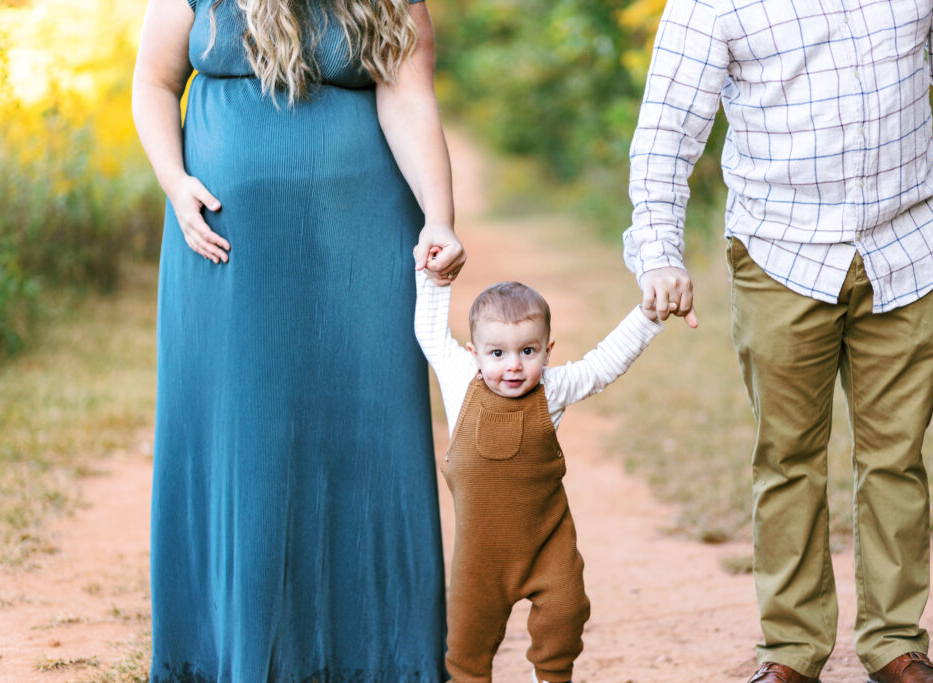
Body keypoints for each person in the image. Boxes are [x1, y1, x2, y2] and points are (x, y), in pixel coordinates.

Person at [625, 1, 933, 682]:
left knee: (897, 455)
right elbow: (666, 130)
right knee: (788, 456)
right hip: (781, 251)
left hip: (907, 240)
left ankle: (895, 645)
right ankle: (791, 652)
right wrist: (658, 251)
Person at [131, 0, 465, 679]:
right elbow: (154, 82)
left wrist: (439, 215)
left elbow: (409, 98)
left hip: (362, 243)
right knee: (242, 438)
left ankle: (380, 657)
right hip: (225, 250)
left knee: (368, 429)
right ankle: (229, 650)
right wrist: (175, 183)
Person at [413, 268, 663, 683]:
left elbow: (604, 363)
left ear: (547, 350)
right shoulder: (461, 379)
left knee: (567, 609)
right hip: (481, 559)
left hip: (546, 543)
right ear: (475, 352)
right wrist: (433, 276)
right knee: (468, 646)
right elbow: (431, 334)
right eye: (497, 354)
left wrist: (647, 316)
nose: (513, 366)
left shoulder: (554, 388)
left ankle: (550, 675)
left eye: (527, 351)